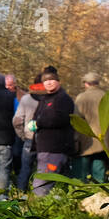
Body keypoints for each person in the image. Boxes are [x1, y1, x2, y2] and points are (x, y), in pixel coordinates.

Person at [29, 68, 76, 196]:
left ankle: (38, 210)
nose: (48, 83)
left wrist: (39, 123)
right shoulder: (44, 99)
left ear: (58, 81)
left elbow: (59, 118)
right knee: (56, 185)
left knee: (41, 185)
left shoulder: (63, 99)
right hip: (44, 148)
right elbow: (36, 115)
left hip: (54, 148)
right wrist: (33, 122)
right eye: (45, 80)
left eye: (51, 79)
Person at [73, 71, 109, 183]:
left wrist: (75, 139)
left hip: (86, 142)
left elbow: (76, 121)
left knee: (81, 176)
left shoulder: (81, 98)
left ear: (86, 83)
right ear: (97, 83)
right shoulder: (107, 97)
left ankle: (81, 197)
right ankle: (99, 197)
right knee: (99, 176)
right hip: (103, 141)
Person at [13, 75, 43, 192]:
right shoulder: (51, 100)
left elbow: (17, 121)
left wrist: (22, 135)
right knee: (43, 169)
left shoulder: (26, 99)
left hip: (29, 138)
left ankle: (20, 192)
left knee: (25, 168)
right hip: (45, 140)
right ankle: (40, 194)